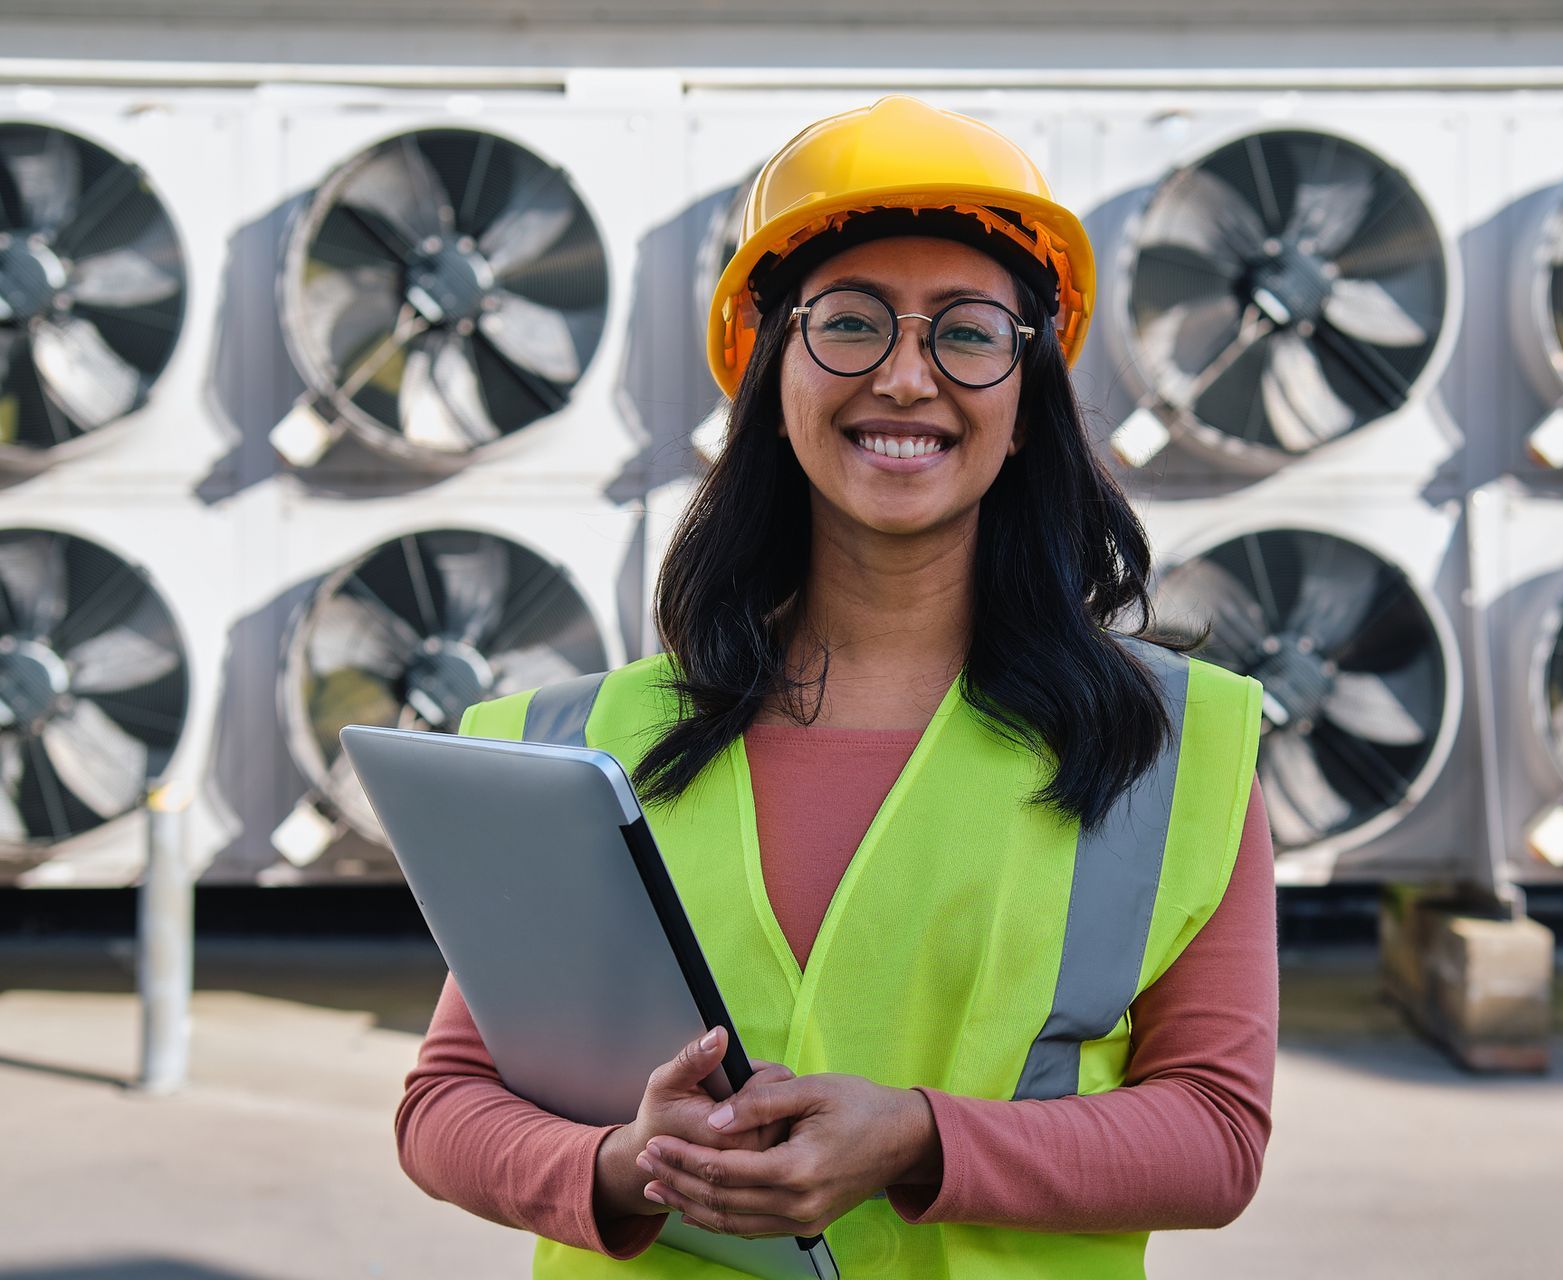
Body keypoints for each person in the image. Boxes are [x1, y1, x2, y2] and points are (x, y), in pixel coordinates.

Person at [396, 95, 1279, 1278]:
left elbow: (1217, 1133)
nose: (907, 377)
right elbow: (444, 1104)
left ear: (1026, 401)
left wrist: (919, 1138)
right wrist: (628, 1163)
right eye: (850, 324)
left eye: (967, 332)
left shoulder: (1168, 744)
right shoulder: (575, 743)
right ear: (771, 378)